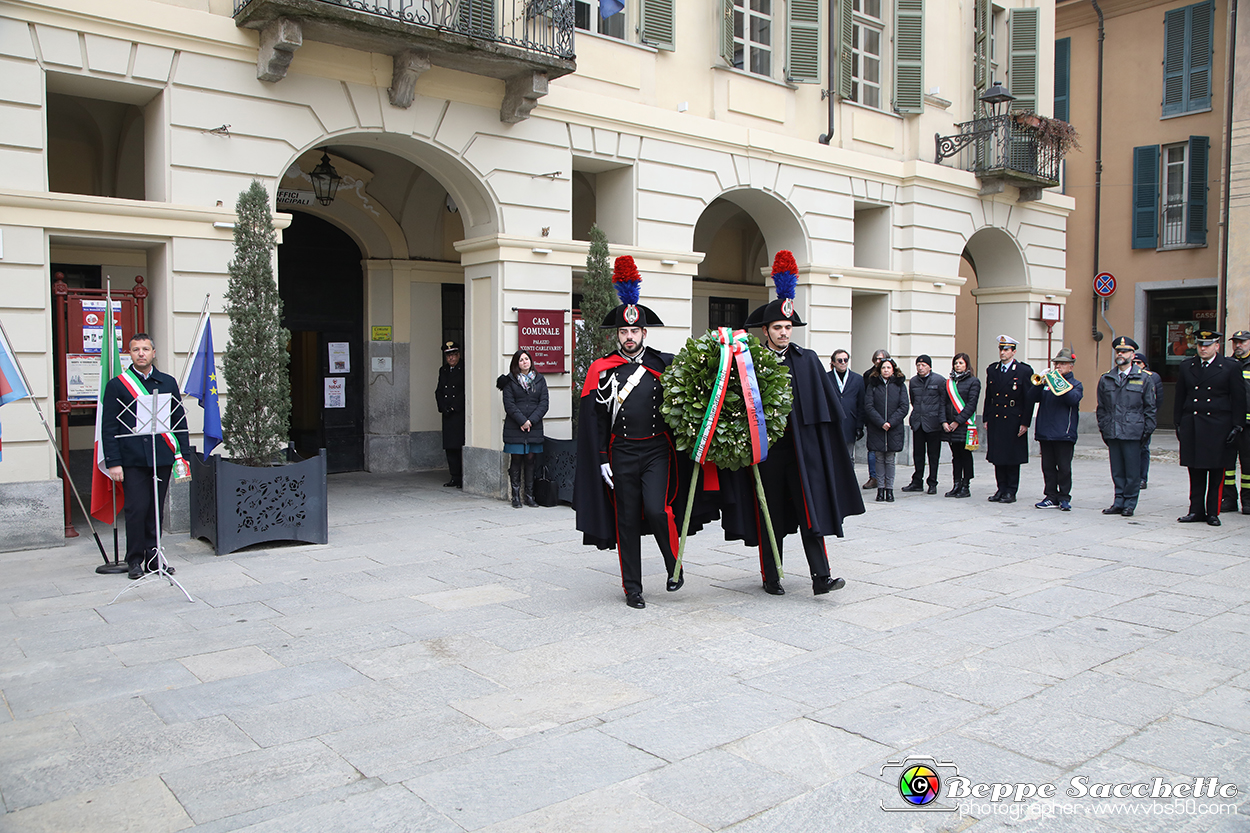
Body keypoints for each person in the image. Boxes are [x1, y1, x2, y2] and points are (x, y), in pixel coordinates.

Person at [720, 251, 864, 596]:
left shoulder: (808, 360)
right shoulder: (749, 361)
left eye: (788, 327)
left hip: (804, 454)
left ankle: (821, 577)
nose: (784, 333)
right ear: (766, 331)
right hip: (766, 453)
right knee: (771, 514)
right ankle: (771, 576)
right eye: (778, 328)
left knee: (810, 514)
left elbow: (827, 411)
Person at [573, 256, 713, 609]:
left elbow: (696, 393)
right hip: (620, 454)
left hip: (657, 452)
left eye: (634, 331)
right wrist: (602, 459)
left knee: (655, 509)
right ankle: (632, 588)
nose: (629, 337)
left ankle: (673, 564)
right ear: (617, 334)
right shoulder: (603, 369)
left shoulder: (664, 364)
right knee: (626, 521)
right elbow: (596, 421)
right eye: (623, 331)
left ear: (644, 334)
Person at [101, 333, 191, 580]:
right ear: (129, 354)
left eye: (145, 349)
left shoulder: (167, 382)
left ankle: (154, 559)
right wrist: (114, 462)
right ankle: (134, 560)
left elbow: (178, 421)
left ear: (154, 353)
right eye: (135, 349)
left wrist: (183, 456)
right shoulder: (117, 385)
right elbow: (108, 428)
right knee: (136, 509)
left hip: (161, 457)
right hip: (132, 460)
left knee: (155, 510)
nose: (141, 353)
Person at [1175, 330, 1246, 526]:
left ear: (1217, 346)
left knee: (1216, 472)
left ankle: (1213, 512)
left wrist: (1237, 426)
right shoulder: (1187, 366)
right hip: (1194, 423)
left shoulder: (1229, 367)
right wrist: (1178, 422)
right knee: (1195, 470)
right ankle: (1195, 510)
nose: (1203, 348)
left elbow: (1239, 399)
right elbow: (1180, 396)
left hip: (1218, 426)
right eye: (1200, 345)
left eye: (1207, 345)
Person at [1095, 337, 1155, 518]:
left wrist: (1145, 432)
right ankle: (1118, 501)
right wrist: (1104, 427)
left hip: (1133, 431)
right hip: (1113, 430)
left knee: (1132, 471)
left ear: (1132, 355)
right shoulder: (1107, 378)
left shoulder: (1144, 378)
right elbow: (1102, 408)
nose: (1120, 354)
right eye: (1118, 351)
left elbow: (1150, 408)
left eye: (1124, 351)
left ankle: (1130, 502)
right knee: (1117, 470)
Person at [1029, 348, 1083, 511]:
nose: (1058, 366)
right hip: (1046, 431)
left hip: (1064, 433)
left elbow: (1072, 399)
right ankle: (1050, 496)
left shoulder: (1075, 384)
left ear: (1071, 366)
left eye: (1063, 364)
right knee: (1048, 467)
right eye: (1057, 363)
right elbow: (1031, 397)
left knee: (1064, 467)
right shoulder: (1047, 381)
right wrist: (1040, 382)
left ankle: (1064, 497)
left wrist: (1057, 381)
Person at [983, 334, 1033, 504]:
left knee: (1011, 456)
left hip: (1013, 417)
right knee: (998, 455)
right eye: (1001, 349)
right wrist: (986, 417)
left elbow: (1029, 398)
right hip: (997, 417)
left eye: (1006, 349)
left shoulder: (1023, 371)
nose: (1002, 352)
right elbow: (989, 396)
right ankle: (1001, 488)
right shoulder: (992, 369)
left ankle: (1011, 490)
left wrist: (1025, 422)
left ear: (1014, 352)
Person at [498, 349, 548, 508]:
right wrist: (522, 421)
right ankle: (515, 497)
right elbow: (509, 404)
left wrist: (531, 421)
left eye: (527, 359)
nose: (525, 362)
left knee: (531, 460)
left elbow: (544, 404)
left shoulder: (540, 380)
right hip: (515, 427)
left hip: (533, 427)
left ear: (531, 361)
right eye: (521, 360)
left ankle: (529, 496)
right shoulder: (509, 381)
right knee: (517, 459)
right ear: (516, 363)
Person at [864, 358, 909, 502]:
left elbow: (904, 406)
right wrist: (881, 422)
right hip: (877, 428)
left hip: (893, 428)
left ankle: (889, 489)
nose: (886, 370)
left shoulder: (900, 385)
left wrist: (891, 422)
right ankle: (880, 489)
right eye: (883, 368)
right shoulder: (873, 385)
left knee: (890, 459)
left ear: (893, 369)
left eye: (889, 368)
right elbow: (869, 406)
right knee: (878, 458)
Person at [902, 355, 946, 495]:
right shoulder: (914, 381)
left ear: (929, 366)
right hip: (918, 422)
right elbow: (913, 400)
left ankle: (932, 482)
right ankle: (917, 481)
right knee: (918, 454)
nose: (920, 368)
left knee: (933, 455)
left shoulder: (939, 381)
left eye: (923, 365)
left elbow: (943, 402)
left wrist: (941, 419)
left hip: (933, 423)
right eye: (918, 365)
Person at [942, 353, 981, 498]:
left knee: (965, 455)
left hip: (964, 425)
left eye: (961, 363)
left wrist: (957, 421)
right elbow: (943, 403)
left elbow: (971, 404)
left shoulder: (973, 382)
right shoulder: (949, 383)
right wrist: (944, 421)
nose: (958, 365)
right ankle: (956, 484)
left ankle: (966, 485)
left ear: (967, 365)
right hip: (950, 426)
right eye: (956, 363)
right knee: (955, 456)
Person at [1220, 331, 1250, 513]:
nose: (1238, 345)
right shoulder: (1228, 364)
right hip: (1228, 423)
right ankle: (1229, 499)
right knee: (1226, 466)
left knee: (1248, 465)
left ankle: (1248, 500)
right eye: (1235, 342)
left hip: (1248, 425)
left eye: (1242, 342)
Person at [828, 349, 865, 473]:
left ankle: (849, 484)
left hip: (850, 423)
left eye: (845, 360)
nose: (843, 363)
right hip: (832, 423)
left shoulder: (858, 379)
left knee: (849, 457)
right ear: (833, 362)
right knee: (832, 456)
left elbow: (861, 404)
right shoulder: (826, 378)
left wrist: (859, 426)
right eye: (839, 360)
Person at [435, 341, 465, 488]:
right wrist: (443, 407)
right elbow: (439, 391)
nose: (451, 358)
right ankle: (454, 476)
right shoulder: (444, 371)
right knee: (450, 447)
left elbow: (464, 391)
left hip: (458, 414)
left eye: (453, 355)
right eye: (448, 356)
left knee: (459, 447)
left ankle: (462, 477)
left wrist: (454, 407)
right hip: (447, 413)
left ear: (458, 355)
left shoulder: (464, 369)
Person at [1133, 352, 1163, 491]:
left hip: (1144, 418)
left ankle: (1142, 478)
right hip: (1130, 418)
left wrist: (1150, 416)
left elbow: (1158, 399)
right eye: (1134, 362)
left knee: (1144, 448)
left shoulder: (1152, 377)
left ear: (1145, 364)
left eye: (1139, 363)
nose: (1136, 365)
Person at [860, 349, 890, 490]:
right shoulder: (868, 375)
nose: (880, 362)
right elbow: (865, 398)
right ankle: (874, 477)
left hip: (889, 420)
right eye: (878, 359)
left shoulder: (894, 377)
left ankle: (886, 478)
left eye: (883, 359)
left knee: (888, 452)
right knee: (872, 450)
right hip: (872, 418)